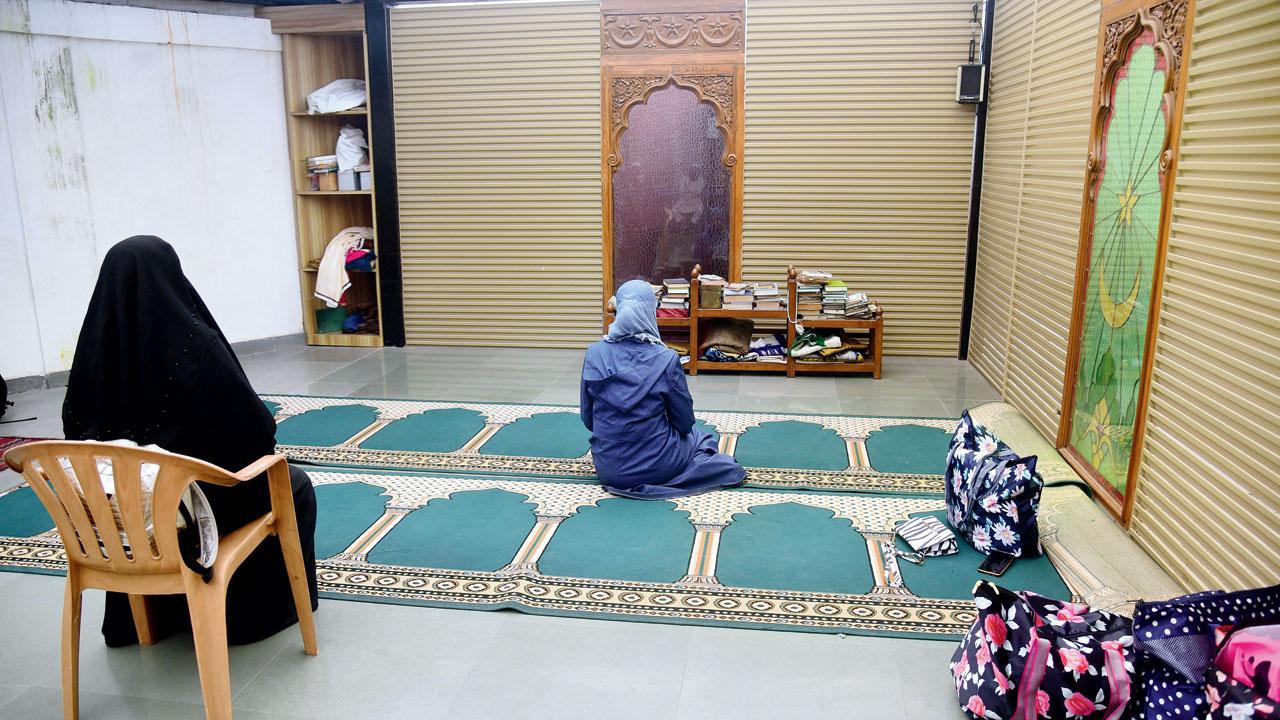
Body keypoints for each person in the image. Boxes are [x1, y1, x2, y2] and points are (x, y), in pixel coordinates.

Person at [62, 236, 318, 647]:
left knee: (137, 494)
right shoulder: (196, 351)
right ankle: (251, 617)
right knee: (295, 485)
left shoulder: (92, 358)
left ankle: (144, 621)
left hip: (121, 526)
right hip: (198, 520)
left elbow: (80, 443)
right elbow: (254, 443)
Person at [580, 280, 745, 499]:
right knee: (701, 439)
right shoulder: (665, 359)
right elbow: (684, 422)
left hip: (607, 467)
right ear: (650, 312)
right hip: (657, 465)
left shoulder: (594, 353)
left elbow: (588, 419)